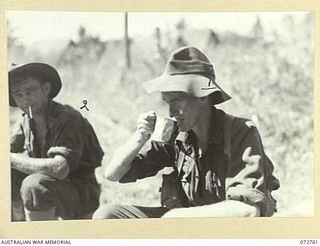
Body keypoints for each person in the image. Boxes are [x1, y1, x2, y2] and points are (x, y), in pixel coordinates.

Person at [93, 46, 279, 219]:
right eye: (167, 102)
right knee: (108, 215)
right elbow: (113, 174)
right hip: (184, 225)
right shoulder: (175, 134)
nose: (171, 112)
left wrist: (176, 218)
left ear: (203, 96)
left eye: (177, 101)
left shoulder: (239, 132)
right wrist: (140, 137)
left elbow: (247, 210)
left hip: (224, 232)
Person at [9, 63, 104, 221]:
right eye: (18, 95)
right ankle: (18, 228)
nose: (25, 99)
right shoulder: (24, 122)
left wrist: (10, 159)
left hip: (79, 193)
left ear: (46, 89)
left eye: (30, 91)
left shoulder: (67, 118)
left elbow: (60, 169)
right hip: (49, 191)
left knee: (34, 185)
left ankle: (42, 236)